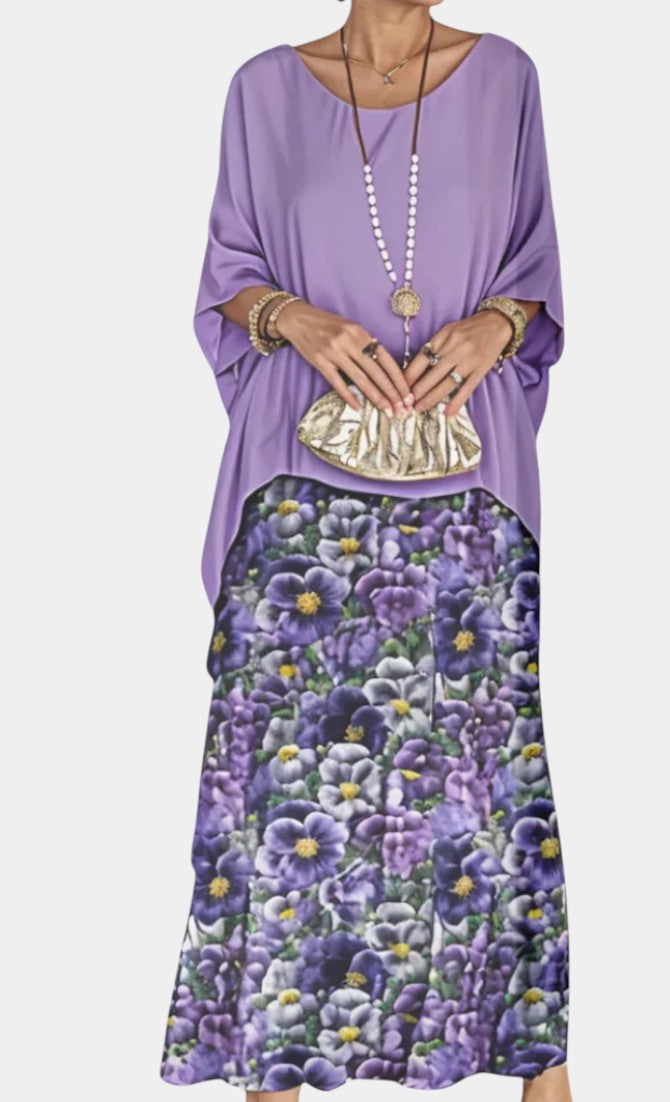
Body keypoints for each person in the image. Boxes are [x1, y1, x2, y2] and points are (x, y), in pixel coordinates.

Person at [160, 3, 572, 1100]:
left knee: (489, 779)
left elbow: (537, 269)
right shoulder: (263, 88)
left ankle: (538, 1066)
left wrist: (497, 322)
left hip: (467, 480)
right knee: (279, 789)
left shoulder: (505, 78)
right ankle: (273, 1069)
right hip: (298, 485)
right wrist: (296, 318)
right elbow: (226, 275)